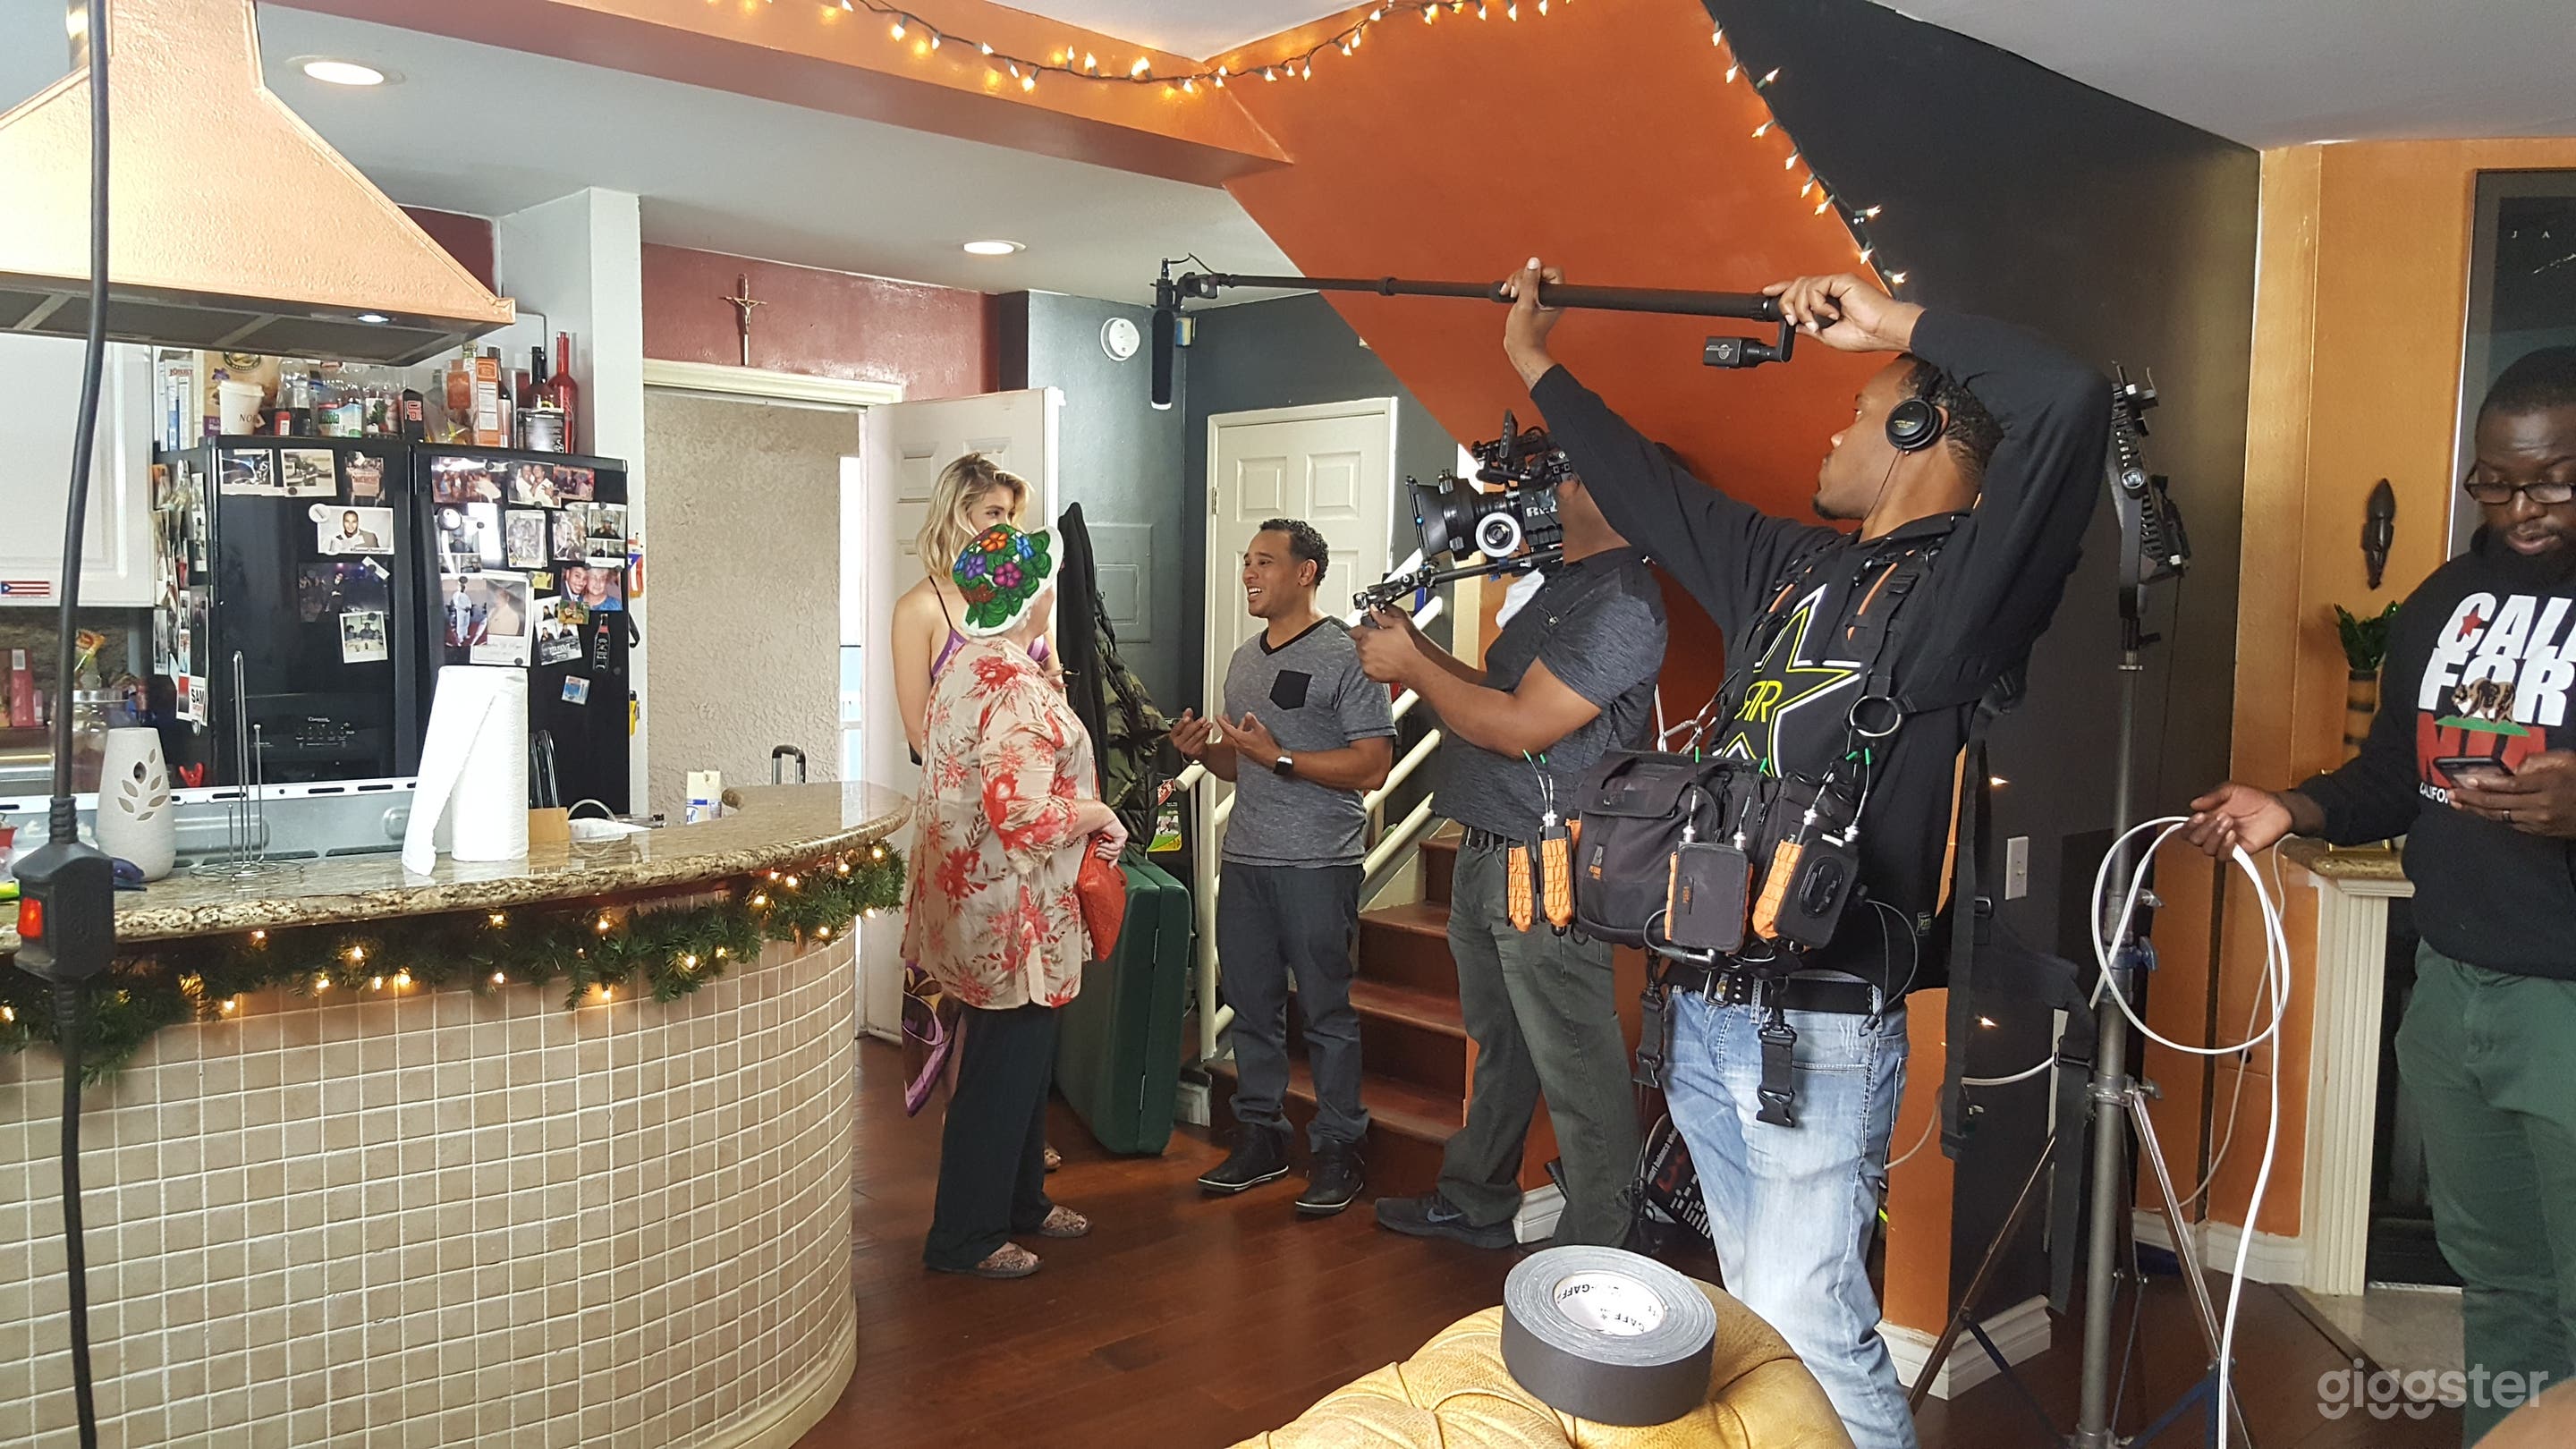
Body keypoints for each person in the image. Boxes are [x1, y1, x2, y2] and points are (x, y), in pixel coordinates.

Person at [1495, 259, 2106, 1448]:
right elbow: (1644, 485)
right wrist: (1534, 363)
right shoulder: (1793, 572)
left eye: (1859, 412)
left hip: (1813, 1031)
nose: (1833, 430)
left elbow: (2069, 397)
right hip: (1704, 1009)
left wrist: (1894, 321)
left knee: (1808, 1322)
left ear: (1921, 429)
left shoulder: (1965, 596)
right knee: (1758, 1318)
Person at [2183, 346, 2576, 1449]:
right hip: (2454, 994)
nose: (2518, 506)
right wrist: (2289, 808)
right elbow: (2392, 778)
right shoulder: (2448, 594)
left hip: (2569, 1007)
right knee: (2498, 1286)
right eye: (2495, 482)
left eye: (2550, 480)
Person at [1352, 443, 1669, 1252]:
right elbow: (1499, 692)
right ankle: (1476, 1196)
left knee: (1572, 1053)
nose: (1553, 487)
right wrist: (1415, 651)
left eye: (1570, 472)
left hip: (1542, 858)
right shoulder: (1566, 584)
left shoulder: (1624, 600)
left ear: (1617, 489)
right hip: (1488, 847)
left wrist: (1413, 675)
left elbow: (1522, 727)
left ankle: (1605, 1238)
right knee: (1504, 1041)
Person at [903, 522, 1123, 1280]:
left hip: (970, 901)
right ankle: (965, 1235)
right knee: (1002, 1070)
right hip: (1013, 914)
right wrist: (1099, 814)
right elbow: (1025, 817)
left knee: (1023, 1065)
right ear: (1034, 593)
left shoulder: (965, 667)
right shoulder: (1013, 688)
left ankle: (1023, 1199)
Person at [1174, 520, 1397, 1216]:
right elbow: (1241, 766)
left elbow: (1373, 765)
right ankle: (1262, 1138)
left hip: (1318, 866)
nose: (1248, 574)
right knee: (1253, 1012)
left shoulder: (1346, 656)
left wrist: (1284, 759)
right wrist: (1200, 751)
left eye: (1264, 562)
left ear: (1306, 573)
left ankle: (1337, 1147)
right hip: (1246, 861)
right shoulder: (1243, 660)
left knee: (1327, 1012)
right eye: (1246, 563)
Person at [889, 453, 1063, 1136]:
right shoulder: (921, 607)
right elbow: (918, 730)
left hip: (1030, 830)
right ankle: (970, 1148)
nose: (1009, 528)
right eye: (995, 514)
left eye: (1014, 517)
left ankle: (1014, 1149)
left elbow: (1057, 701)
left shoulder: (1027, 606)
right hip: (961, 834)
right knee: (965, 995)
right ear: (959, 515)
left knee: (1025, 1002)